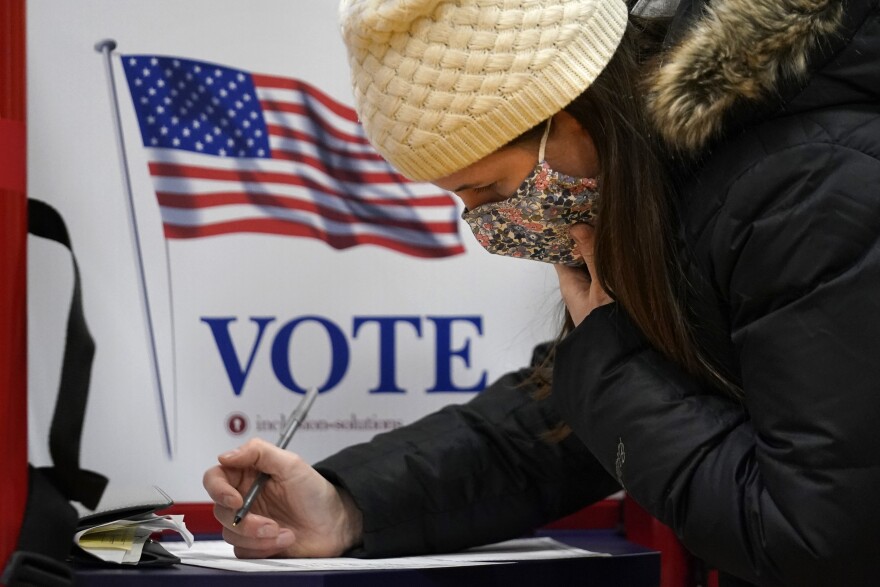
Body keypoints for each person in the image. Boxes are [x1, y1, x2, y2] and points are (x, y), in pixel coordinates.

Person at [203, 0, 880, 584]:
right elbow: (568, 422)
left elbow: (817, 540)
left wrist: (613, 371)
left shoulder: (809, 192)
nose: (487, 227)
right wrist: (347, 504)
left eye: (489, 190)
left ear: (573, 115)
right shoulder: (673, 182)